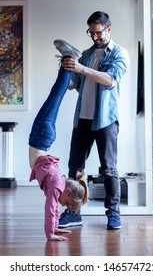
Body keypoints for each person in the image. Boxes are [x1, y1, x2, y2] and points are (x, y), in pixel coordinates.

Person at [57, 11, 129, 230]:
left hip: (105, 120)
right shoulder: (86, 54)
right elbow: (74, 84)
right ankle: (74, 212)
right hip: (82, 119)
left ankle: (113, 214)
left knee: (109, 169)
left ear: (109, 29)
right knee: (75, 168)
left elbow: (109, 80)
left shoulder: (119, 53)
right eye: (91, 32)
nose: (94, 37)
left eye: (98, 32)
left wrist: (81, 68)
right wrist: (67, 70)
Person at [28, 41, 88, 241]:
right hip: (41, 136)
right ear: (68, 191)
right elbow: (51, 208)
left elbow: (53, 210)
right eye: (68, 203)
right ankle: (68, 59)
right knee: (57, 94)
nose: (64, 205)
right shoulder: (56, 185)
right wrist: (50, 234)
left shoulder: (60, 183)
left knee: (57, 94)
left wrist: (55, 228)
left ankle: (68, 61)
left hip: (44, 136)